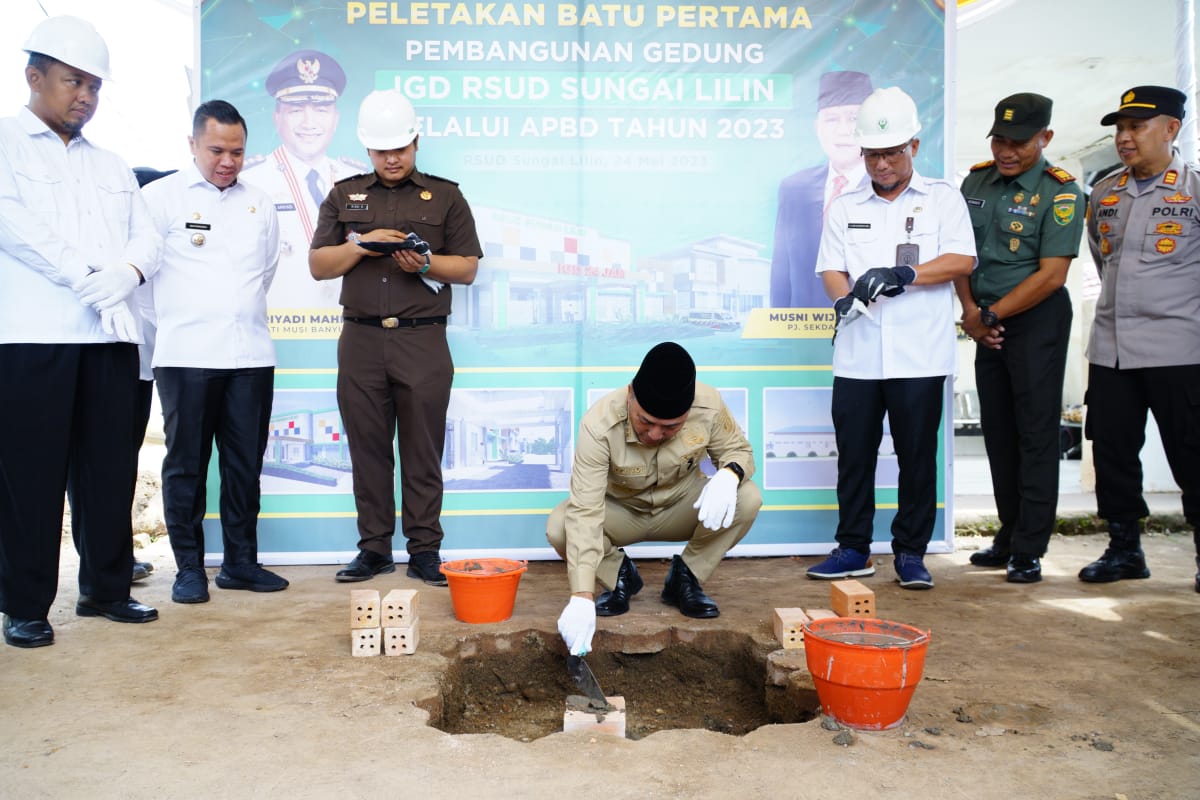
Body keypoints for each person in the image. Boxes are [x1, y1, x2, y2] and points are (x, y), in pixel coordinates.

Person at [0, 15, 160, 648]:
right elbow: (13, 225)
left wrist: (127, 271)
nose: (85, 97)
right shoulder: (6, 144)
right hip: (31, 338)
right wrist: (83, 273)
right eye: (73, 82)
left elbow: (146, 231)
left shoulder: (113, 164)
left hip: (109, 336)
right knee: (29, 475)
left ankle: (106, 589)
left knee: (109, 470)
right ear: (35, 76)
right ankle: (26, 604)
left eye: (94, 86)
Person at [805, 87, 976, 590]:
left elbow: (962, 260)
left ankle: (910, 553)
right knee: (854, 455)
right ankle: (854, 548)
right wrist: (841, 300)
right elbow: (831, 268)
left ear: (914, 148)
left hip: (920, 356)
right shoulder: (844, 205)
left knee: (917, 458)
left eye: (891, 153)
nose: (880, 163)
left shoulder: (943, 199)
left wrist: (905, 274)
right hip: (858, 355)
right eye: (873, 154)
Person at [310, 89, 482, 586]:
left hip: (422, 341)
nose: (391, 158)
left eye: (400, 148)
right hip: (360, 341)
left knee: (422, 452)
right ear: (366, 147)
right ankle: (374, 550)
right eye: (381, 150)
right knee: (368, 451)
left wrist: (425, 263)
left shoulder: (446, 195)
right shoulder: (345, 194)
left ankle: (425, 550)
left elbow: (467, 269)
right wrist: (363, 245)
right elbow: (320, 265)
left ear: (415, 141)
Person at [141, 100, 287, 604]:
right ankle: (188, 569)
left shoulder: (259, 203)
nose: (228, 161)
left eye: (238, 151)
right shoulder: (160, 198)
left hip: (250, 355)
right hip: (185, 354)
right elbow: (143, 280)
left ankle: (240, 563)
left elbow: (265, 273)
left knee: (245, 465)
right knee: (186, 465)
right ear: (192, 145)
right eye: (217, 150)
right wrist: (183, 320)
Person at [553, 342, 763, 655]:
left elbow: (740, 451)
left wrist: (730, 473)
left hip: (681, 506)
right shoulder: (598, 424)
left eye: (669, 427)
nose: (654, 435)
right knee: (561, 526)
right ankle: (619, 574)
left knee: (747, 497)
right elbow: (585, 510)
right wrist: (581, 596)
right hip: (622, 511)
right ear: (630, 396)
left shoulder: (709, 405)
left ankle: (685, 578)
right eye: (645, 421)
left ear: (688, 411)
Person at [955, 93, 1084, 584]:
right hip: (984, 320)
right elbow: (961, 254)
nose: (1007, 151)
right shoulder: (976, 180)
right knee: (1000, 435)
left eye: (1019, 143)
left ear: (1044, 139)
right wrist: (971, 312)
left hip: (1035, 321)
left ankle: (1029, 548)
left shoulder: (1062, 192)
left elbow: (1052, 276)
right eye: (1000, 140)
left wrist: (988, 315)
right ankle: (1007, 536)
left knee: (1034, 434)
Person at [1079, 85, 1199, 592]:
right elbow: (1102, 261)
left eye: (1136, 127)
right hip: (1111, 350)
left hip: (1180, 351)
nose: (1124, 138)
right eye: (1120, 128)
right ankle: (1125, 549)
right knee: (1112, 453)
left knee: (1193, 454)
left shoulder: (1193, 190)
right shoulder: (1105, 193)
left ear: (1171, 128)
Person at [241, 49, 364, 310]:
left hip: (348, 325)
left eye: (321, 109)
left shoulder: (358, 180)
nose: (309, 123)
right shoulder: (250, 183)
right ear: (277, 118)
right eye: (296, 110)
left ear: (335, 118)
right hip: (280, 327)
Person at [770, 70, 874, 308]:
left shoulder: (888, 189)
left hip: (866, 326)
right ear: (817, 127)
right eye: (831, 120)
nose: (843, 130)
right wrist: (777, 328)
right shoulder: (795, 188)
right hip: (803, 329)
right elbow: (782, 270)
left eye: (853, 118)